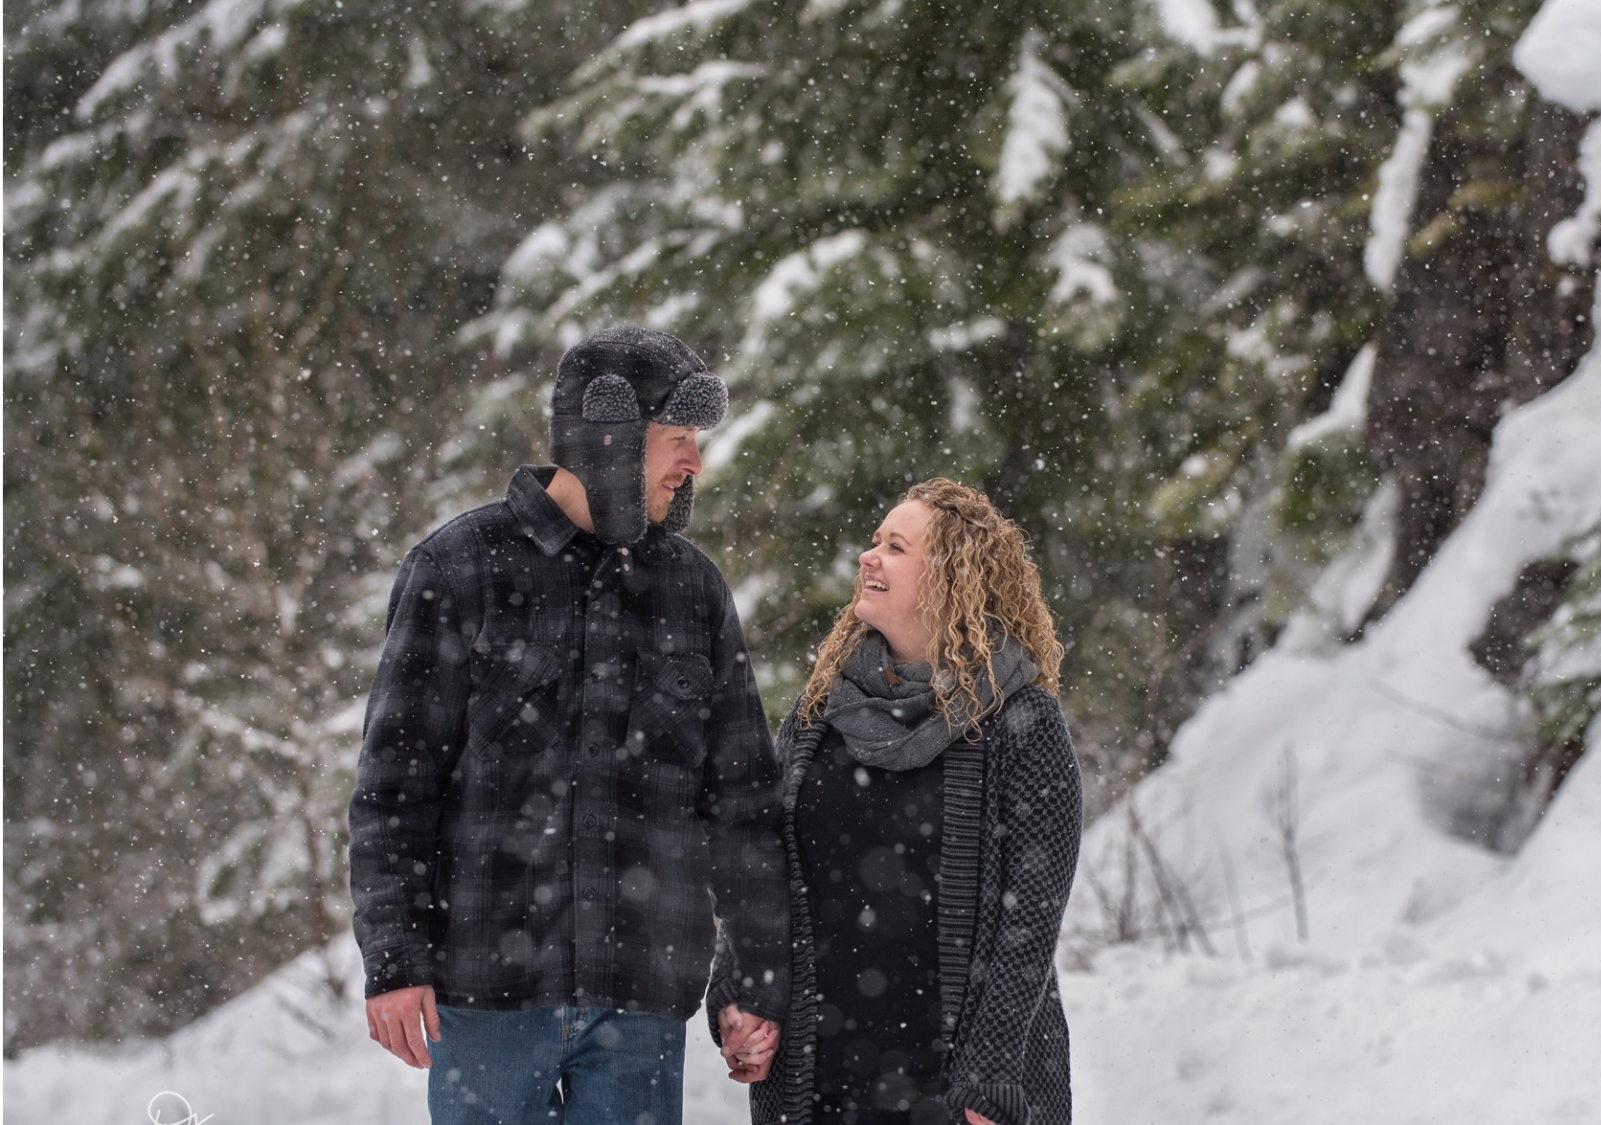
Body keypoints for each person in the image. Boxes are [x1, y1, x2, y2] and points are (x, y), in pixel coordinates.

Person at [348, 326, 789, 1125]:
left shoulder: (692, 590)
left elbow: (743, 802)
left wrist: (755, 975)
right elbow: (393, 788)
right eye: (677, 439)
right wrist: (393, 957)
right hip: (485, 999)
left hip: (640, 1005)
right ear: (610, 436)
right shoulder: (457, 568)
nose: (694, 463)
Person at [709, 479, 1082, 1125]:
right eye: (873, 540)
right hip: (822, 1076)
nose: (868, 556)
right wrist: (738, 994)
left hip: (959, 1089)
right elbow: (761, 868)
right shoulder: (820, 711)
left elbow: (1032, 920)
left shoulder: (1022, 720)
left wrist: (991, 1075)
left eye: (896, 545)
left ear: (951, 576)